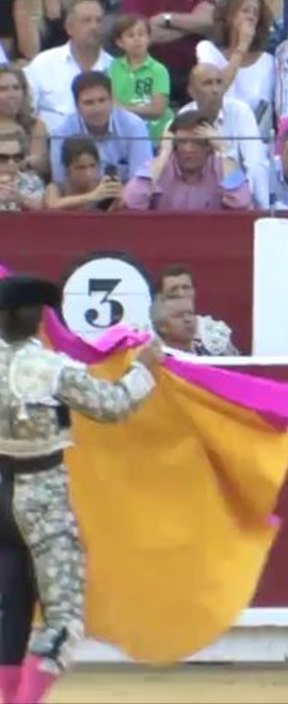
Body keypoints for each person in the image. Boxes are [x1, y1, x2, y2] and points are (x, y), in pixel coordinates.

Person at [0, 274, 164, 704]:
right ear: (38, 319)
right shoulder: (50, 369)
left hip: (0, 494)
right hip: (43, 497)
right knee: (64, 621)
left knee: (12, 606)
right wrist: (143, 369)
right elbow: (113, 406)